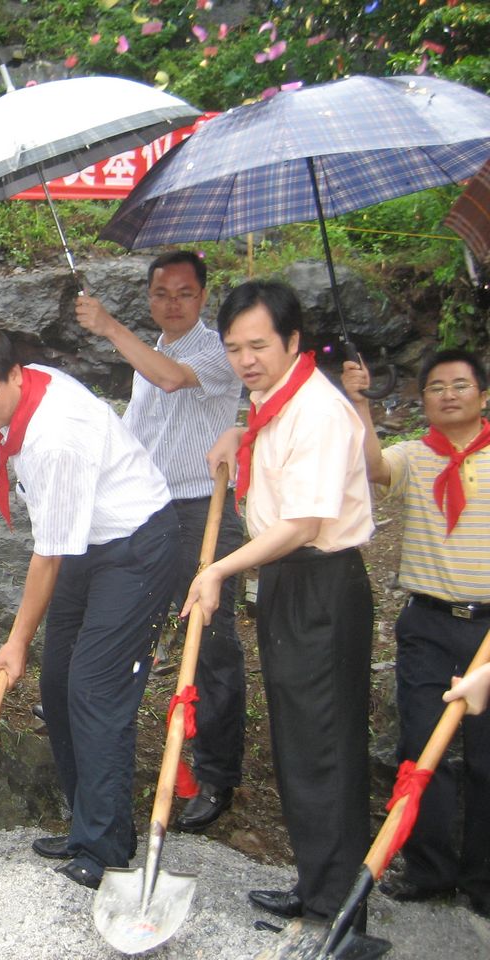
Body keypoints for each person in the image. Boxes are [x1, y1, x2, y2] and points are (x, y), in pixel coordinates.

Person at [0, 326, 180, 890]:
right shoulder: (30, 395)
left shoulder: (57, 436)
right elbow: (59, 545)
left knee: (96, 688)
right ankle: (84, 824)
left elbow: (48, 556)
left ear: (15, 375)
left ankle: (105, 847)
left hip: (136, 546)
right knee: (59, 685)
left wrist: (16, 640)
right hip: (88, 543)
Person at [184, 280, 375, 928]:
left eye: (259, 345)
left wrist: (217, 569)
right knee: (299, 741)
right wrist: (238, 434)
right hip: (289, 584)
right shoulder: (273, 398)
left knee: (327, 745)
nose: (245, 360)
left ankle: (340, 913)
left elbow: (302, 521)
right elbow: (272, 446)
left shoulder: (319, 410)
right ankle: (316, 885)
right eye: (234, 347)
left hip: (320, 584)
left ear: (293, 341)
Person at [76, 251, 246, 832]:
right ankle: (107, 723)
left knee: (211, 639)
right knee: (132, 620)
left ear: (203, 297)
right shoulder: (152, 351)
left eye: (184, 293)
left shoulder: (217, 349)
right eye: (160, 293)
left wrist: (108, 326)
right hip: (147, 509)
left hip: (204, 509)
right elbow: (139, 422)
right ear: (148, 297)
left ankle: (217, 773)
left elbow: (171, 381)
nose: (172, 304)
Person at [343, 348, 489, 917]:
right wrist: (359, 400)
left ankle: (482, 878)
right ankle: (429, 869)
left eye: (460, 385)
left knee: (485, 759)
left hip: (487, 632)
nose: (448, 394)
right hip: (428, 622)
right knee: (420, 746)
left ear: (482, 395)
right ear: (423, 400)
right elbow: (373, 466)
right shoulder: (414, 456)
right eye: (435, 387)